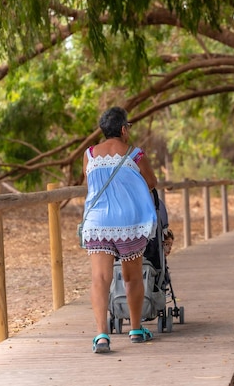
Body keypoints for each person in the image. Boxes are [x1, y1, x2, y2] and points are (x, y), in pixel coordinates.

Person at [81, 106, 158, 353]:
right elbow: (152, 182)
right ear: (124, 130)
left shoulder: (90, 154)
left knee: (100, 278)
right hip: (129, 223)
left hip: (98, 222)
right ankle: (136, 330)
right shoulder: (135, 154)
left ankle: (102, 335)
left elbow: (89, 181)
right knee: (132, 276)